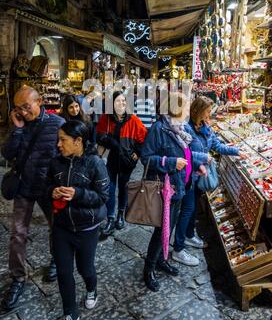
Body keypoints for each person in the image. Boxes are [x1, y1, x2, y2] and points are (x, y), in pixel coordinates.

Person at [1, 86, 65, 310]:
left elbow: (66, 156)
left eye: (27, 107)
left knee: (55, 227)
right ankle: (18, 278)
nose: (23, 112)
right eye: (19, 108)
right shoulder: (20, 124)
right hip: (24, 186)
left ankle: (56, 260)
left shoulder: (57, 125)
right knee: (18, 234)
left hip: (49, 189)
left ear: (39, 102)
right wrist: (17, 129)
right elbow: (7, 154)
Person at [141, 91, 207, 291]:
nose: (188, 111)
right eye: (185, 107)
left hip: (180, 187)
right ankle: (148, 269)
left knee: (169, 227)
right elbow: (146, 158)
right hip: (165, 189)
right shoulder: (159, 129)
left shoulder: (179, 128)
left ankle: (162, 259)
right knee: (161, 229)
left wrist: (196, 164)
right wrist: (171, 162)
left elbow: (185, 154)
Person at [172, 96, 247, 267]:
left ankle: (190, 235)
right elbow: (185, 153)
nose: (209, 114)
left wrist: (237, 151)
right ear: (198, 111)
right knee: (187, 210)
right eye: (207, 111)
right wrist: (203, 159)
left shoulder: (206, 127)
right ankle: (178, 248)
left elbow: (217, 146)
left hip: (200, 177)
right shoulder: (186, 129)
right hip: (189, 175)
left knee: (193, 209)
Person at [48, 120, 109, 320]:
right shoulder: (56, 162)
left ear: (78, 141)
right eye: (58, 140)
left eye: (63, 140)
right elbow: (46, 185)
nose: (59, 144)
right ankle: (71, 313)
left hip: (87, 228)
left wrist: (78, 194)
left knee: (86, 269)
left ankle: (91, 288)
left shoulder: (95, 163)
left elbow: (103, 196)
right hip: (62, 227)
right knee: (64, 272)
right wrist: (51, 191)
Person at [96, 91, 147, 235]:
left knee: (124, 187)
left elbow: (143, 139)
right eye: (118, 101)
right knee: (110, 188)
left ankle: (121, 215)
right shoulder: (106, 118)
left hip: (127, 161)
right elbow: (99, 136)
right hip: (112, 159)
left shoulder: (133, 120)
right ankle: (111, 218)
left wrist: (137, 154)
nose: (121, 104)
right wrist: (112, 142)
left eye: (124, 101)